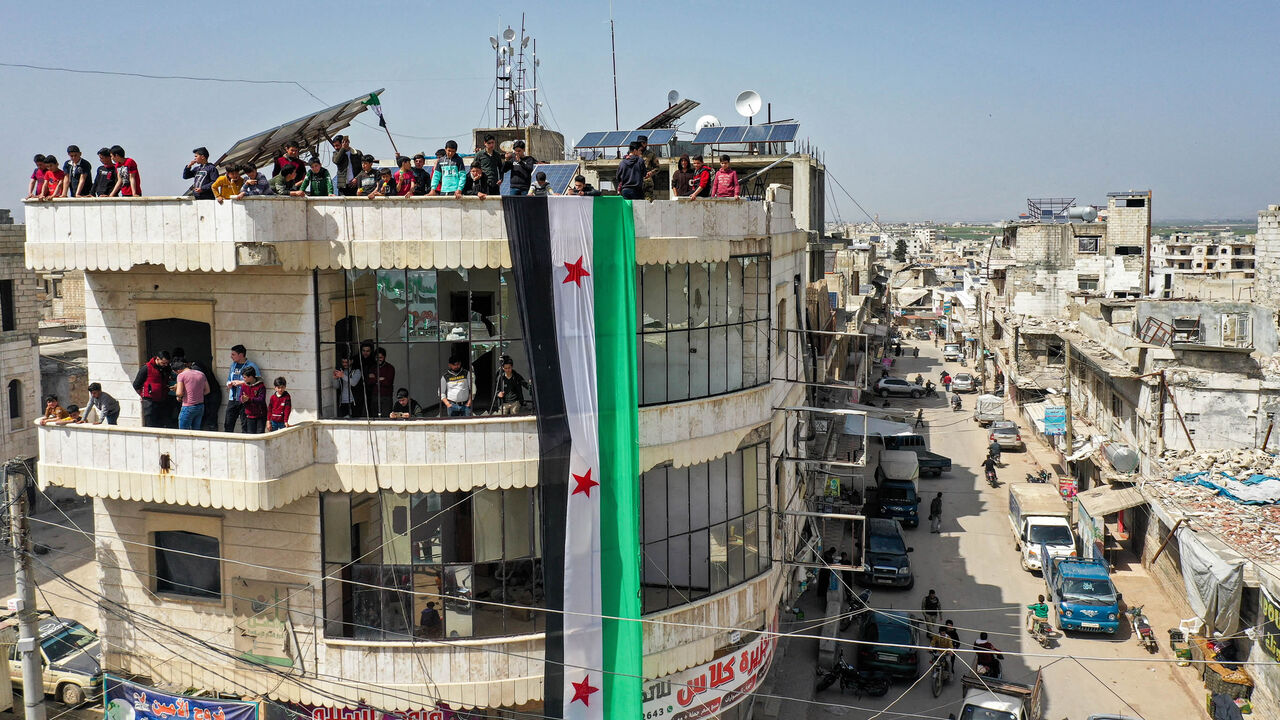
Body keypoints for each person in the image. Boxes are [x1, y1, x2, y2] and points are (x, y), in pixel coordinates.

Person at [224, 344, 260, 433]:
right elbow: (229, 379)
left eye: (233, 354)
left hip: (245, 398)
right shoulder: (233, 365)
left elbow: (258, 381)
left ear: (240, 355)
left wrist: (242, 383)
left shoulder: (251, 365)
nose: (231, 357)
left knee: (245, 424)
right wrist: (229, 384)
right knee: (228, 422)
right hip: (233, 398)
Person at [132, 350, 171, 427]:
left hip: (162, 400)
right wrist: (143, 394)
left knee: (162, 423)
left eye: (167, 363)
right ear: (157, 359)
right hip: (149, 401)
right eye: (163, 363)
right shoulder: (146, 368)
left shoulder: (166, 368)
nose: (165, 365)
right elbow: (136, 384)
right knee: (151, 423)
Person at [175, 359, 210, 430]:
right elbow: (207, 391)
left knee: (183, 432)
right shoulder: (201, 374)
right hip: (200, 406)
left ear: (178, 371)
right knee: (196, 431)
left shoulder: (181, 375)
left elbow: (179, 393)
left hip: (188, 406)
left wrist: (179, 396)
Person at [239, 367, 268, 434]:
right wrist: (242, 399)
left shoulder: (261, 386)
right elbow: (240, 397)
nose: (244, 379)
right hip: (249, 415)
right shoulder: (244, 386)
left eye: (245, 377)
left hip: (260, 416)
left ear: (251, 377)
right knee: (250, 434)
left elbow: (261, 399)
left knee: (260, 435)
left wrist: (249, 399)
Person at [369, 347, 395, 416]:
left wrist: (375, 379)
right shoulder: (372, 367)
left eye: (381, 357)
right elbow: (370, 381)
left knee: (386, 418)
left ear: (384, 357)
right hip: (375, 396)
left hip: (386, 397)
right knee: (374, 418)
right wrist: (380, 379)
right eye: (377, 357)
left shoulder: (390, 368)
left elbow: (388, 382)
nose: (379, 359)